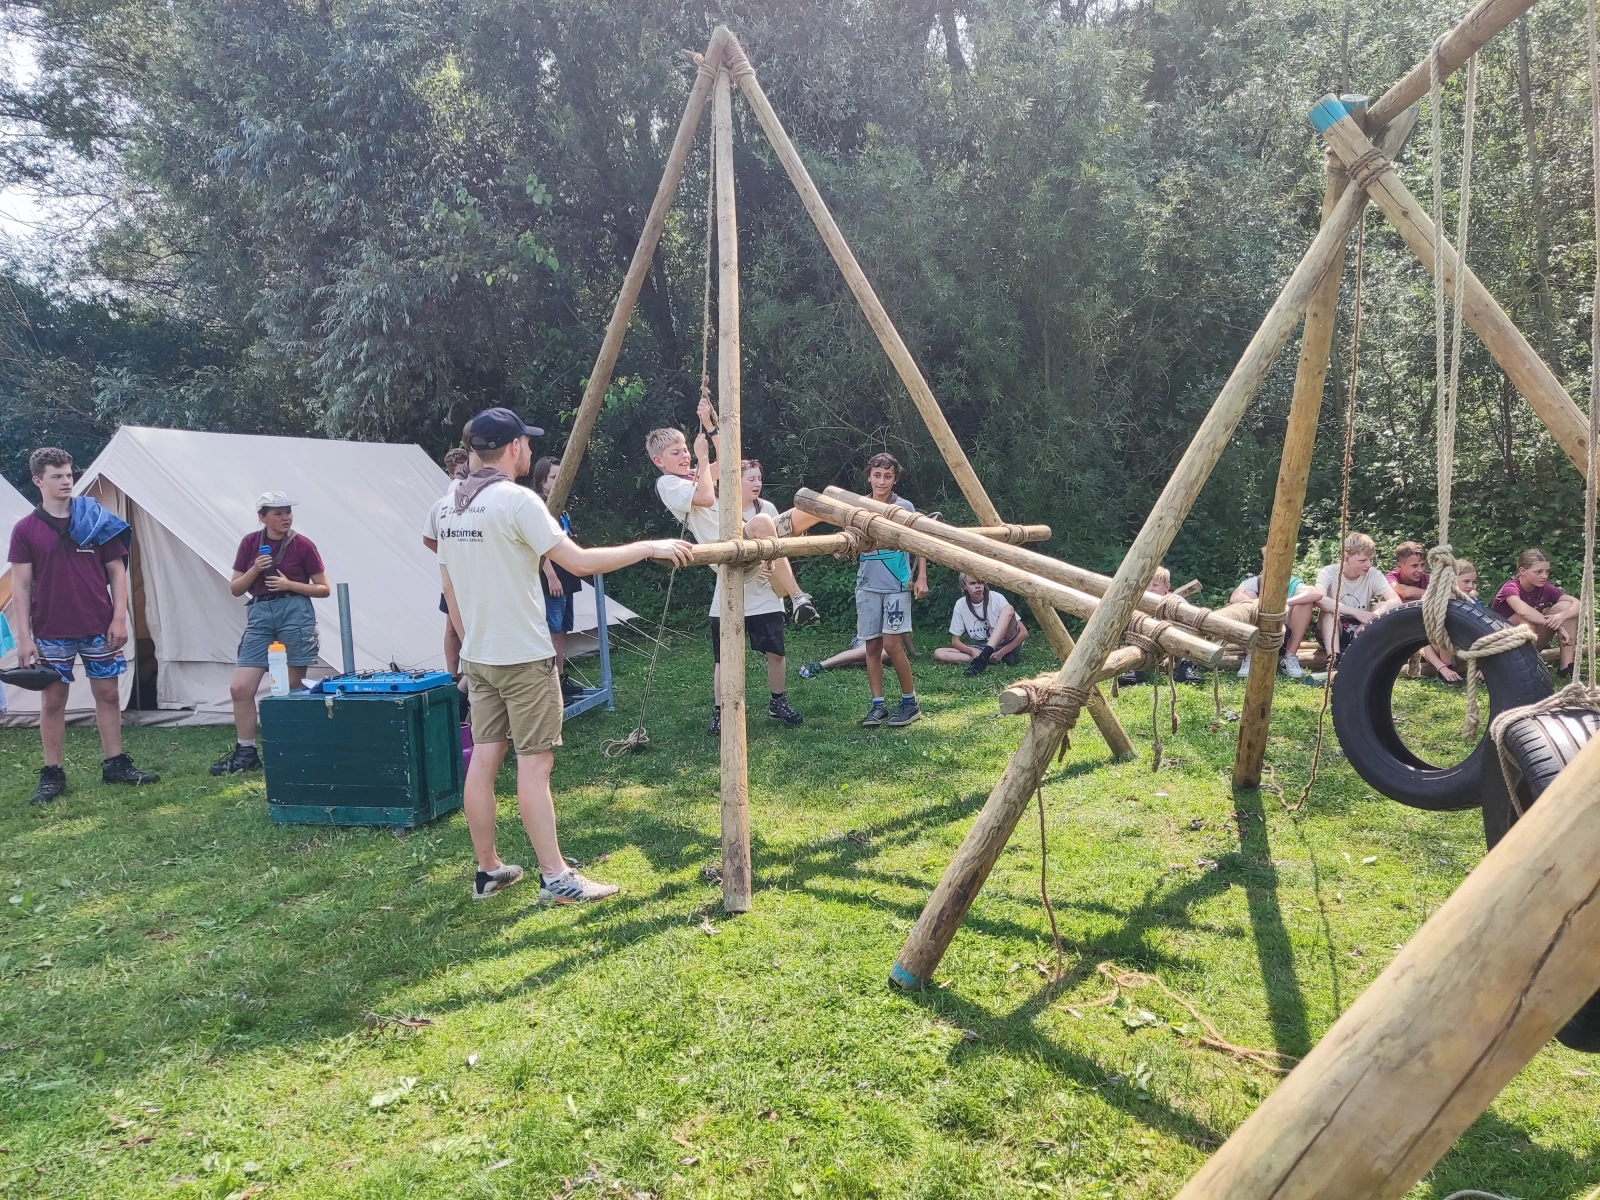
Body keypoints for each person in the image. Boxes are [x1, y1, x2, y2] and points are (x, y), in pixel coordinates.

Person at [439, 406, 692, 902]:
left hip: (482, 656)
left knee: (486, 758)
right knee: (536, 766)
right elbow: (578, 561)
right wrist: (649, 547)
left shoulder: (447, 503)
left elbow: (446, 576)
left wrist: (468, 640)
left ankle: (488, 869)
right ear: (514, 448)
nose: (529, 449)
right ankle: (556, 877)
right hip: (525, 656)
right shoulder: (515, 501)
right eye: (526, 443)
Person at [647, 406, 815, 735]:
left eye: (683, 449)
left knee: (791, 514)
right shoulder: (668, 484)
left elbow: (729, 459)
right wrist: (700, 456)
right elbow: (708, 497)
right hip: (728, 553)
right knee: (724, 657)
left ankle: (797, 597)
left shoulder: (695, 476)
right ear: (659, 461)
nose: (683, 456)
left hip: (745, 542)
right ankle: (721, 711)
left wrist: (710, 425)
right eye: (674, 452)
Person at [8, 447, 159, 803]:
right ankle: (52, 775)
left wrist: (120, 617)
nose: (66, 481)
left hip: (99, 624)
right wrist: (24, 639)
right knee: (53, 701)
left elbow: (117, 573)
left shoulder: (95, 519)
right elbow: (21, 586)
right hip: (50, 629)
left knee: (108, 695)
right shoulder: (25, 530)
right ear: (38, 481)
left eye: (69, 474)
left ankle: (115, 764)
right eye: (57, 475)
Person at [210, 491, 332, 774]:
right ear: (262, 517)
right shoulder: (250, 543)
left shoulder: (303, 544)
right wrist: (254, 569)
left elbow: (323, 588)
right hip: (260, 612)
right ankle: (246, 753)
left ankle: (291, 750)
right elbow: (236, 588)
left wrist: (291, 585)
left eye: (288, 511)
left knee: (291, 688)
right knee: (240, 687)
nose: (286, 517)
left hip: (295, 611)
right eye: (278, 513)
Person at [852, 453, 928, 727]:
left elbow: (920, 542)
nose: (881, 481)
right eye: (877, 475)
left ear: (895, 479)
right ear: (869, 476)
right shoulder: (858, 506)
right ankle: (878, 705)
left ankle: (910, 702)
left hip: (896, 585)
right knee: (871, 645)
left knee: (892, 644)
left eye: (887, 476)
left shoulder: (904, 507)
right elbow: (850, 542)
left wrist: (921, 576)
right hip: (867, 586)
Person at [529, 456, 585, 702]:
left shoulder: (557, 504)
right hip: (552, 579)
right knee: (551, 632)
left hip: (566, 577)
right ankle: (550, 688)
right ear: (541, 479)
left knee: (562, 630)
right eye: (554, 477)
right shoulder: (539, 505)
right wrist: (551, 576)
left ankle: (560, 680)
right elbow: (539, 545)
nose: (559, 480)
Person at [424, 435, 475, 696]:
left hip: (471, 573)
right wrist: (449, 555)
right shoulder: (447, 499)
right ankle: (453, 676)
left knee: (471, 624)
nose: (461, 476)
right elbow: (429, 538)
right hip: (453, 575)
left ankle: (469, 675)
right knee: (452, 627)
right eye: (457, 473)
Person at [1229, 551, 1326, 681]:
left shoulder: (1292, 583)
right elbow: (1234, 597)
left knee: (1305, 603)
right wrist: (1257, 606)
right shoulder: (1254, 582)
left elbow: (1315, 593)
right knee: (1246, 600)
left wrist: (1286, 603)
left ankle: (1290, 657)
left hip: (1284, 636)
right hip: (1256, 638)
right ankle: (1250, 657)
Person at [1493, 548, 1580, 678]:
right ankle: (1529, 668)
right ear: (1522, 571)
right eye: (1538, 572)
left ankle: (1566, 668)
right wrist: (1558, 626)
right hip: (1500, 644)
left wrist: (1561, 617)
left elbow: (1577, 603)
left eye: (1547, 571)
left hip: (1531, 639)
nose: (1544, 576)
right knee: (1525, 619)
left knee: (1565, 606)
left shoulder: (1545, 587)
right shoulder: (1510, 587)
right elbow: (1523, 611)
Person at [1315, 533, 1399, 661]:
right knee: (1329, 612)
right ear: (1346, 557)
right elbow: (1319, 599)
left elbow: (1395, 600)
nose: (1369, 565)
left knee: (1383, 604)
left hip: (1361, 628)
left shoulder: (1373, 574)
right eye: (1363, 561)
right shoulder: (1329, 572)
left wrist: (1371, 618)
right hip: (1333, 629)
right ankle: (1334, 658)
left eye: (1371, 559)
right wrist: (1355, 612)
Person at [1117, 567, 1203, 685]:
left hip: (1173, 640)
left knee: (1187, 634)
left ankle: (1186, 667)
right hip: (1148, 642)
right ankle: (1135, 669)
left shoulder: (1176, 601)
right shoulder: (1139, 602)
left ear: (1166, 587)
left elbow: (1191, 624)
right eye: (1147, 585)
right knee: (1135, 628)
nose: (1150, 589)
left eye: (1155, 585)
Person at [935, 573, 1028, 675]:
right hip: (982, 647)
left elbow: (1024, 633)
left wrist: (1002, 652)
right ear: (964, 586)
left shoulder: (996, 597)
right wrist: (971, 651)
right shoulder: (960, 604)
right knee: (939, 653)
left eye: (981, 582)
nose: (978, 586)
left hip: (1006, 643)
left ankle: (985, 658)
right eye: (973, 583)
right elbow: (955, 641)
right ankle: (987, 659)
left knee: (1009, 609)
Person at [798, 634, 914, 679]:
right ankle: (819, 665)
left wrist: (911, 652)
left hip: (888, 645)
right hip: (867, 639)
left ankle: (844, 661)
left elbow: (905, 630)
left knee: (875, 658)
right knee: (880, 653)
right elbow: (863, 630)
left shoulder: (898, 596)